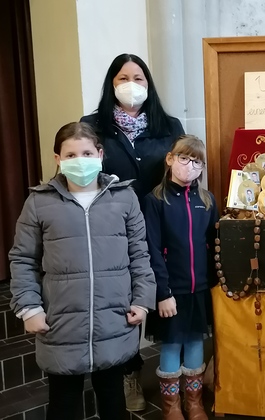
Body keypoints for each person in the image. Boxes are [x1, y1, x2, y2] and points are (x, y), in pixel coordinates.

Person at [9, 122, 156, 420]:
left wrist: (142, 300)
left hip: (114, 319)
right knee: (63, 403)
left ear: (100, 154)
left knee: (113, 400)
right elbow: (23, 259)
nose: (80, 160)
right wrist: (29, 308)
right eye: (71, 155)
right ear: (58, 159)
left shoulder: (124, 198)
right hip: (61, 322)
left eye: (87, 153)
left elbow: (140, 254)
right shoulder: (39, 202)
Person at [80, 53, 185, 410]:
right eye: (123, 78)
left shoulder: (169, 125)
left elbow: (182, 171)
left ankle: (176, 372)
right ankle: (129, 371)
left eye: (138, 78)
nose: (131, 85)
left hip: (160, 223)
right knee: (122, 299)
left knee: (164, 292)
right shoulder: (92, 126)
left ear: (148, 84)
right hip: (112, 226)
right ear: (111, 84)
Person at [144, 135, 218, 420]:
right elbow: (151, 249)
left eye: (197, 162)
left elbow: (214, 245)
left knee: (196, 342)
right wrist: (162, 293)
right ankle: (171, 406)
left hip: (199, 288)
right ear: (170, 159)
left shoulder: (207, 200)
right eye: (184, 158)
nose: (190, 166)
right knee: (173, 343)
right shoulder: (155, 200)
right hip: (170, 291)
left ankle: (194, 402)